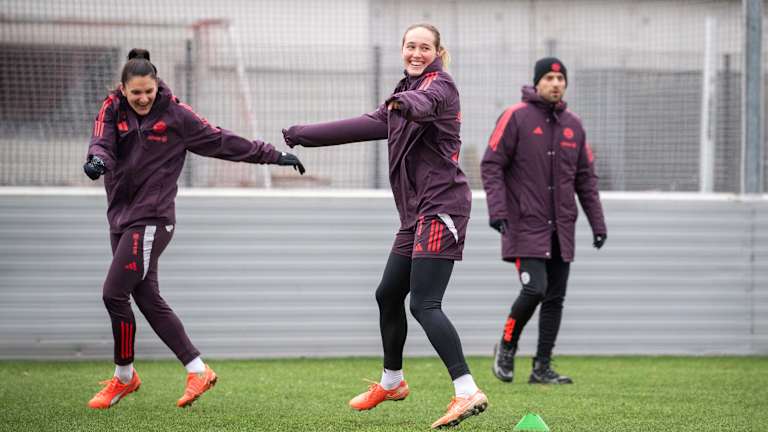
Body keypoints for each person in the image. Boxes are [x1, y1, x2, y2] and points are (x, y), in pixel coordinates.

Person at [283, 24, 487, 429]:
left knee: (424, 304)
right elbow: (363, 124)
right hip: (416, 214)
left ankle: (467, 390)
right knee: (388, 294)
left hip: (442, 207)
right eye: (410, 46)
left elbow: (423, 103)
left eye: (424, 47)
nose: (416, 53)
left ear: (437, 52)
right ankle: (392, 381)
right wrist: (301, 135)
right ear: (402, 49)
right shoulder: (403, 92)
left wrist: (402, 102)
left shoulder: (440, 86)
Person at [84, 48, 305, 409]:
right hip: (120, 217)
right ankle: (197, 370)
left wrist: (272, 155)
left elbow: (221, 141)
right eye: (136, 92)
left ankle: (124, 376)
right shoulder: (112, 108)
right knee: (146, 297)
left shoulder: (177, 115)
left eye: (148, 91)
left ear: (157, 86)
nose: (143, 98)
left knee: (113, 294)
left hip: (152, 218)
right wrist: (96, 161)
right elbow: (102, 142)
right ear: (123, 89)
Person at [481, 57, 607, 385]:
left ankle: (542, 367)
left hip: (562, 228)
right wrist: (497, 210)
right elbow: (491, 164)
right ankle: (507, 345)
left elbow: (586, 180)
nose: (555, 84)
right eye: (549, 78)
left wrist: (598, 223)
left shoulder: (574, 125)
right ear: (537, 82)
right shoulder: (515, 116)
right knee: (535, 288)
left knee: (554, 298)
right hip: (525, 225)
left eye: (560, 79)